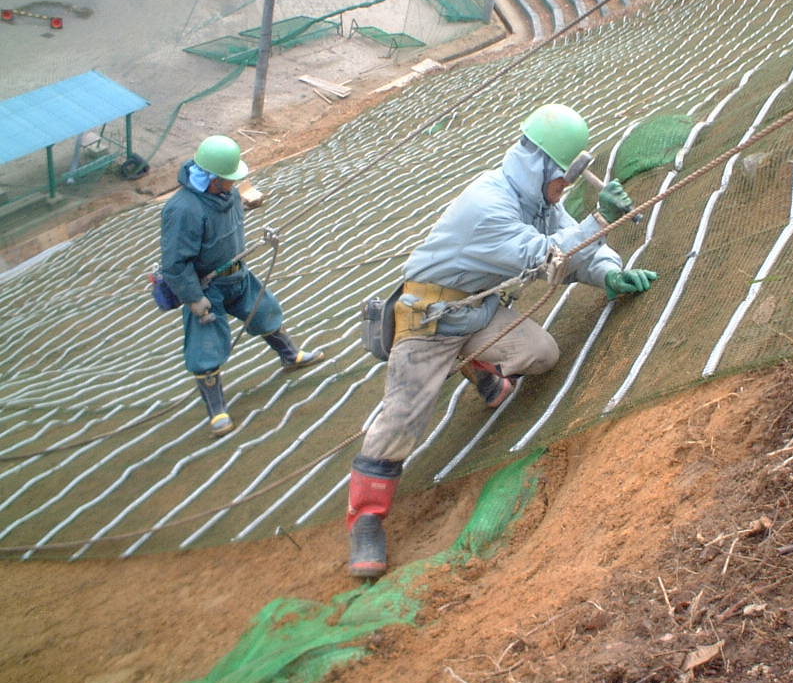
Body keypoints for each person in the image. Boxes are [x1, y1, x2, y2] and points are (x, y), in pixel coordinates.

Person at [346, 104, 659, 578]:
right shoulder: (487, 206)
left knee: (539, 353)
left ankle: (477, 364)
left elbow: (574, 255)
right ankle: (366, 518)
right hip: (431, 320)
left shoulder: (539, 203)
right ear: (542, 167)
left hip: (477, 312)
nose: (567, 188)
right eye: (563, 177)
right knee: (403, 417)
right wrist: (599, 220)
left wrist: (610, 272)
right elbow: (548, 258)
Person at [160, 135, 325, 437]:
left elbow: (229, 221)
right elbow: (174, 263)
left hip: (239, 276)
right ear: (211, 179)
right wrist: (194, 298)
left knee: (266, 312)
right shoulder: (183, 210)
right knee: (205, 349)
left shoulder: (230, 195)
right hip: (207, 289)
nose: (233, 183)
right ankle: (217, 411)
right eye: (228, 178)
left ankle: (290, 356)